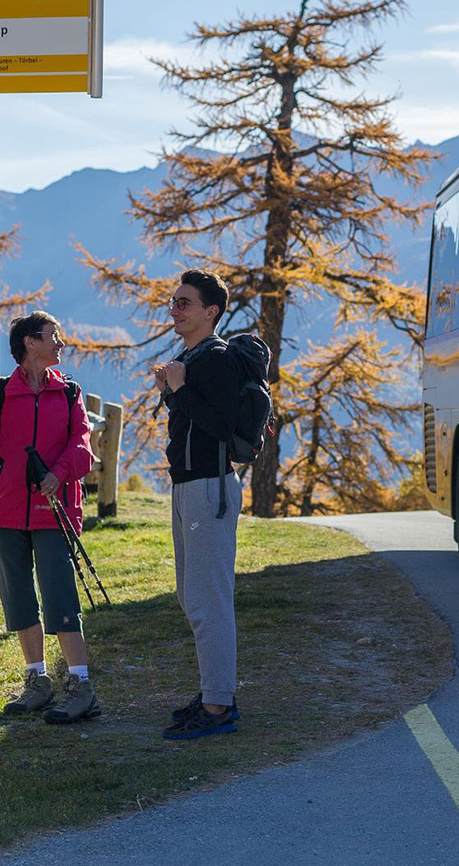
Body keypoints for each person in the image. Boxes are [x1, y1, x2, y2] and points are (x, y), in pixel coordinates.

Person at [154, 269, 242, 740]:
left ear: (210, 311)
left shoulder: (217, 359)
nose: (175, 308)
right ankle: (216, 690)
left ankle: (217, 706)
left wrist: (181, 388)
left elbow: (221, 426)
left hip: (210, 489)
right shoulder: (192, 357)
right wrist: (174, 390)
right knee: (193, 596)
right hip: (190, 485)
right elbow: (193, 423)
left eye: (184, 302)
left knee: (209, 600)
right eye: (173, 300)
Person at [0, 312, 99, 723]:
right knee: (19, 597)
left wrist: (58, 474)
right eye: (52, 336)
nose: (60, 342)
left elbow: (83, 446)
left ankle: (80, 686)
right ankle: (36, 681)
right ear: (29, 343)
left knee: (60, 594)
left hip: (54, 510)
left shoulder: (70, 392)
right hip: (6, 511)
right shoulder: (3, 394)